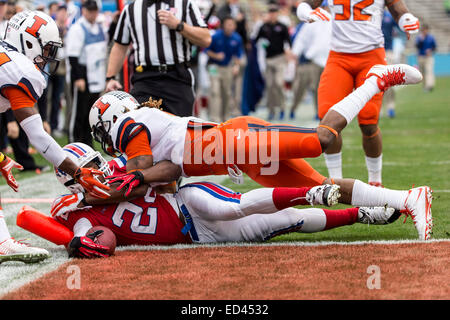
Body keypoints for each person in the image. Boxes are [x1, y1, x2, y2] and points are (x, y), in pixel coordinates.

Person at [86, 63, 432, 241]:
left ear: (110, 119)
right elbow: (169, 172)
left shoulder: (129, 125)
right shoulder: (146, 126)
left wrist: (97, 190)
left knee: (321, 140)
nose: (107, 139)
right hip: (239, 156)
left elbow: (141, 176)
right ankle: (409, 199)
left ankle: (376, 79)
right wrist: (131, 179)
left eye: (103, 131)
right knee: (319, 189)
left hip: (236, 143)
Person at [32, 142, 401, 258]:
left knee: (236, 206)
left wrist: (118, 186)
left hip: (187, 204)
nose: (99, 169)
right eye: (89, 169)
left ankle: (313, 192)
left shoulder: (118, 167)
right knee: (289, 223)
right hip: (198, 237)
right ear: (71, 181)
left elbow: (166, 174)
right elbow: (99, 239)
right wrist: (84, 246)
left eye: (97, 164)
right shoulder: (71, 210)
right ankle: (359, 214)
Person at [0, 10, 110, 264]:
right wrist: (77, 172)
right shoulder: (19, 69)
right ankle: (3, 242)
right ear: (27, 41)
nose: (47, 57)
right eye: (45, 48)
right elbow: (38, 137)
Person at [296, 0, 420, 187]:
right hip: (339, 57)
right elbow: (305, 4)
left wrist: (406, 19)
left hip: (371, 56)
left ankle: (375, 181)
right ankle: (335, 181)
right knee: (327, 121)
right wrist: (306, 13)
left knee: (369, 123)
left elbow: (397, 7)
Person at [105, 0, 212, 117]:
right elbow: (120, 45)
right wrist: (110, 77)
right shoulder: (131, 9)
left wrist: (179, 25)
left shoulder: (185, 4)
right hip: (145, 79)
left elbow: (206, 39)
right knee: (141, 128)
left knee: (179, 131)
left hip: (177, 78)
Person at [66, 0, 107, 146]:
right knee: (78, 113)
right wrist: (78, 78)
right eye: (90, 10)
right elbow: (72, 55)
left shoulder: (99, 27)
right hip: (83, 76)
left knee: (90, 115)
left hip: (96, 78)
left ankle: (87, 145)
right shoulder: (78, 28)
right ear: (83, 10)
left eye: (95, 10)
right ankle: (74, 144)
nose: (93, 13)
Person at [290, 8, 331, 120]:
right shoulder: (312, 21)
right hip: (311, 61)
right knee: (306, 87)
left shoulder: (334, 20)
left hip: (329, 60)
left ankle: (320, 112)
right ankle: (293, 109)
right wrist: (296, 52)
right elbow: (302, 39)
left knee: (324, 88)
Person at [253, 3, 292, 120]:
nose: (272, 15)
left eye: (274, 12)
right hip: (268, 59)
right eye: (271, 12)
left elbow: (289, 42)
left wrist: (289, 52)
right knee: (270, 86)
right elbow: (255, 40)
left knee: (279, 83)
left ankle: (282, 108)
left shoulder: (282, 26)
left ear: (277, 14)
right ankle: (271, 110)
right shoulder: (264, 26)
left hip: (280, 58)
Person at [204, 16, 244, 123]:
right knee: (215, 92)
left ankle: (225, 117)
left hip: (227, 68)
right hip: (214, 67)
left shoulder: (237, 38)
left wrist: (236, 66)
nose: (229, 27)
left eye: (232, 24)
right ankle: (214, 118)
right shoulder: (216, 36)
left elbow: (238, 55)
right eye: (227, 24)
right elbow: (206, 50)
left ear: (234, 26)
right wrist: (216, 55)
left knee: (226, 93)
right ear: (223, 25)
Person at [415, 24, 436, 92]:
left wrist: (430, 51)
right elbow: (417, 46)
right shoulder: (419, 38)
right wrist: (421, 40)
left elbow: (434, 47)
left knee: (429, 71)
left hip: (428, 57)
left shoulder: (431, 38)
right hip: (421, 56)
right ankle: (425, 86)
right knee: (422, 73)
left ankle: (429, 86)